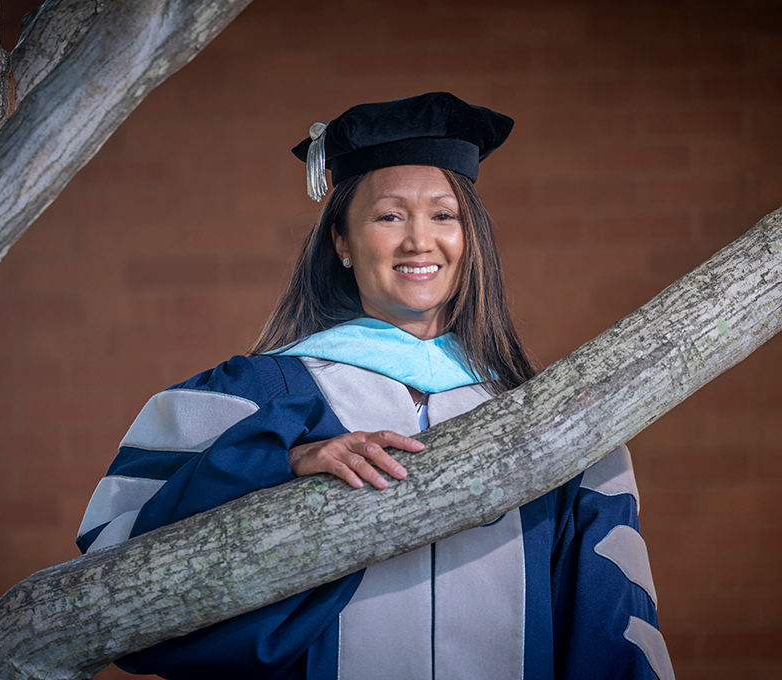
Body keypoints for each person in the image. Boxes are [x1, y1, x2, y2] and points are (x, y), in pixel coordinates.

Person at [76, 92, 672, 680]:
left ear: (471, 240)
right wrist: (276, 465)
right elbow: (113, 571)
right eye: (389, 216)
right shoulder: (255, 398)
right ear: (341, 241)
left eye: (444, 215)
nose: (419, 241)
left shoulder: (554, 421)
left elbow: (611, 618)